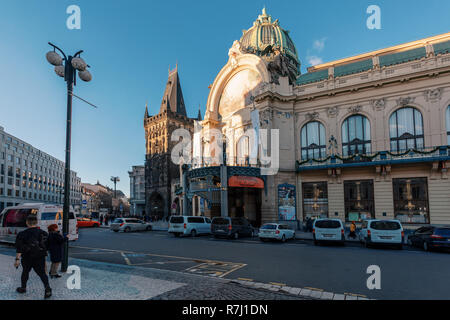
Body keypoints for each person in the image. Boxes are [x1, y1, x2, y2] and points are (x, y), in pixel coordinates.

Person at [14, 215, 52, 299]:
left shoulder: (22, 234)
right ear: (36, 222)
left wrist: (17, 260)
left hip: (27, 257)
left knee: (25, 272)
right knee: (42, 273)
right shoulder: (43, 233)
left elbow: (19, 248)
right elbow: (46, 247)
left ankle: (23, 288)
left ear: (27, 222)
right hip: (40, 257)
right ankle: (47, 288)